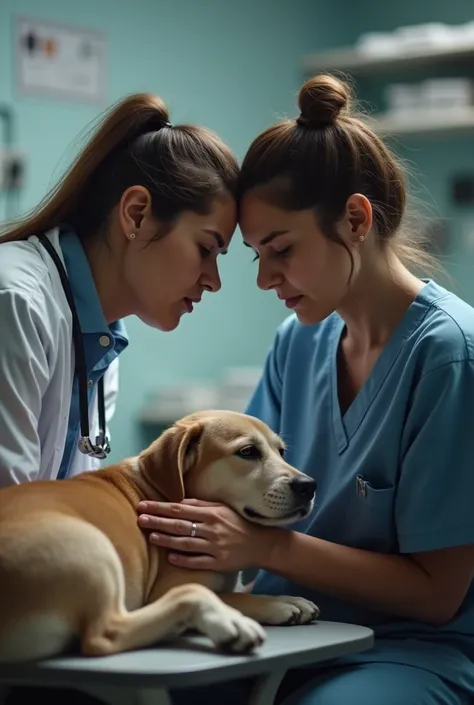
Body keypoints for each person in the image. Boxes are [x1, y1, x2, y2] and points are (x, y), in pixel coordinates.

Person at [138, 74, 474, 705]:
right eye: (256, 255)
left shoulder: (448, 356)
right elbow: (237, 494)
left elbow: (436, 594)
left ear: (354, 219)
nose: (266, 278)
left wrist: (268, 546)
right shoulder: (298, 343)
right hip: (284, 626)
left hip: (406, 651)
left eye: (281, 249)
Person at [0, 92, 238, 704]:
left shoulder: (103, 340)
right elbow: (14, 524)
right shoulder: (17, 302)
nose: (213, 279)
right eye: (207, 248)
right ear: (136, 214)